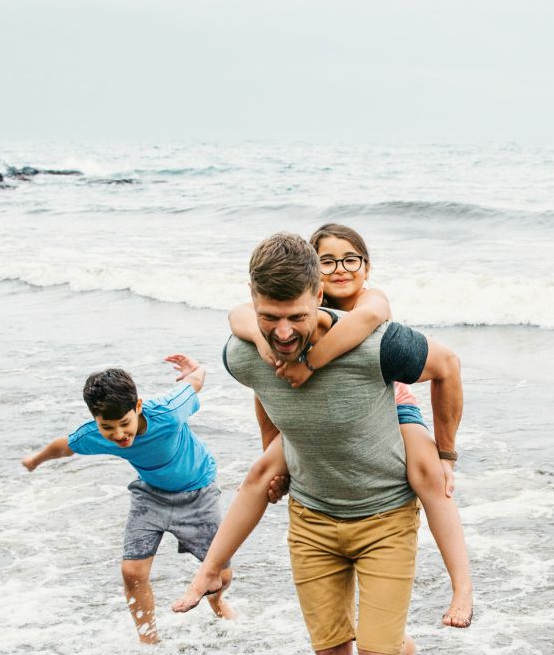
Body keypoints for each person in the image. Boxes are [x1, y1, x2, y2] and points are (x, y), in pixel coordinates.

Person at [173, 232, 464, 655]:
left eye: (352, 260)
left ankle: (461, 587)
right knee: (261, 472)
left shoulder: (371, 307)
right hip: (310, 420)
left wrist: (311, 361)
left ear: (366, 267)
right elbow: (260, 373)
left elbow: (376, 325)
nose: (340, 269)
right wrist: (280, 449)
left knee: (427, 472)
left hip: (386, 402)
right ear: (315, 275)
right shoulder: (279, 313)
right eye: (328, 261)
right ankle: (211, 569)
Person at [22, 355, 234, 644]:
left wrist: (195, 369)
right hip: (150, 495)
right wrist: (36, 460)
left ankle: (217, 602)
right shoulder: (95, 434)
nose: (119, 435)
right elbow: (64, 446)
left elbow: (195, 383)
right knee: (131, 571)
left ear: (138, 406)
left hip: (199, 493)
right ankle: (148, 639)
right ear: (96, 421)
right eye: (107, 428)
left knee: (222, 574)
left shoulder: (169, 413)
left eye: (124, 423)